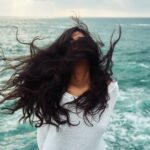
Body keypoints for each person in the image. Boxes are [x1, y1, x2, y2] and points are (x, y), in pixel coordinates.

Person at [0, 16, 121, 150]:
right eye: (70, 42)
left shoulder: (110, 89)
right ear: (63, 51)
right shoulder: (51, 90)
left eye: (81, 41)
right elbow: (43, 133)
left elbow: (96, 131)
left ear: (90, 46)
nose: (76, 45)